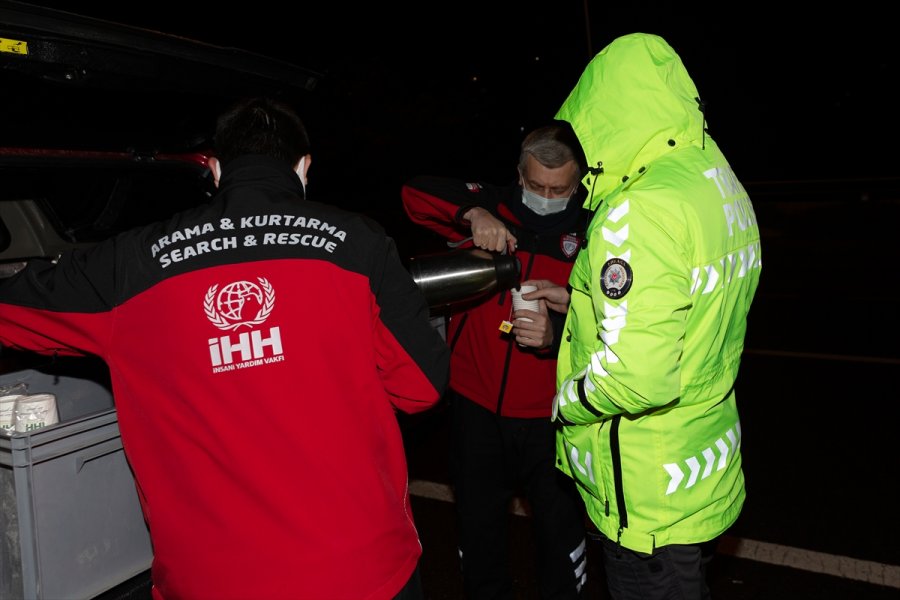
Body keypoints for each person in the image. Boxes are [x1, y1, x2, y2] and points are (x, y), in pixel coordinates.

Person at [0, 97, 450, 600]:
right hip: (362, 571)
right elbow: (419, 389)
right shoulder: (360, 244)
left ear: (214, 170)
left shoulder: (129, 265)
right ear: (305, 168)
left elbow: (11, 309)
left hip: (213, 580)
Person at [527, 33, 763, 600]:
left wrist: (568, 400)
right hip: (696, 461)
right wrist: (581, 300)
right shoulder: (713, 177)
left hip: (646, 486)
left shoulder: (639, 208)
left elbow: (636, 376)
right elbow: (681, 301)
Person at [401, 122, 590, 599]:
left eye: (560, 189)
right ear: (519, 176)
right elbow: (413, 192)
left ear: (580, 182)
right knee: (480, 536)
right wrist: (473, 212)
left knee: (560, 540)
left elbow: (622, 321)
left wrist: (558, 333)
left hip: (554, 416)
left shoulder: (595, 230)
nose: (547, 196)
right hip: (475, 406)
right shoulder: (495, 205)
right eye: (536, 185)